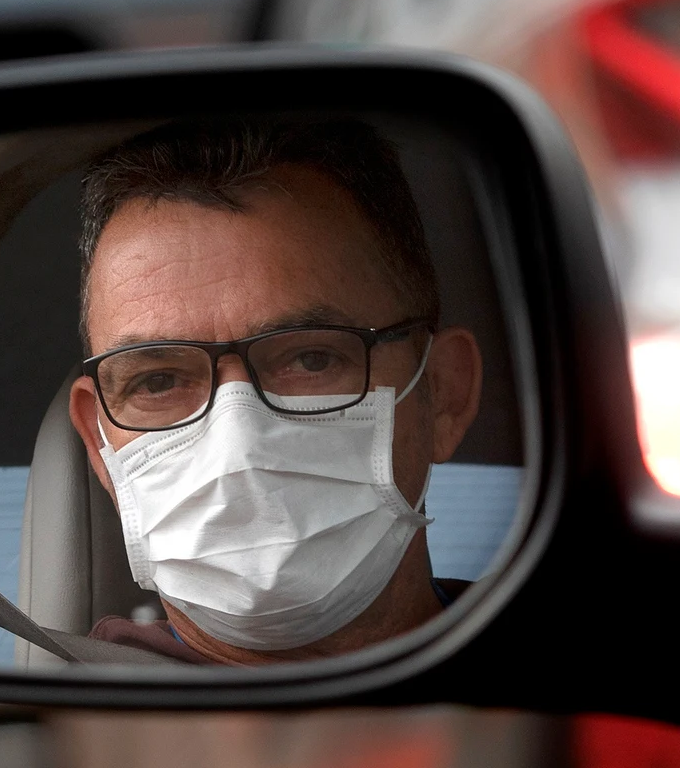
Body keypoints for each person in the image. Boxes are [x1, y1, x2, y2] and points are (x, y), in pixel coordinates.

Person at [67, 119, 482, 666]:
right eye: (159, 381)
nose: (238, 440)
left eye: (310, 359)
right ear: (101, 447)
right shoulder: (61, 737)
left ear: (443, 395)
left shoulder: (591, 684)